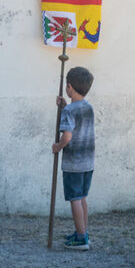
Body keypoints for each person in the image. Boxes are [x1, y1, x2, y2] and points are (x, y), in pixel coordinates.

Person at [52, 66, 95, 251]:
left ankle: (80, 238)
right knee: (82, 197)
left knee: (75, 199)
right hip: (88, 162)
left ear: (69, 86)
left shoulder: (69, 111)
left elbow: (67, 136)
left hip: (73, 164)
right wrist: (64, 106)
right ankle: (83, 232)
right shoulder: (88, 107)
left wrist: (58, 146)